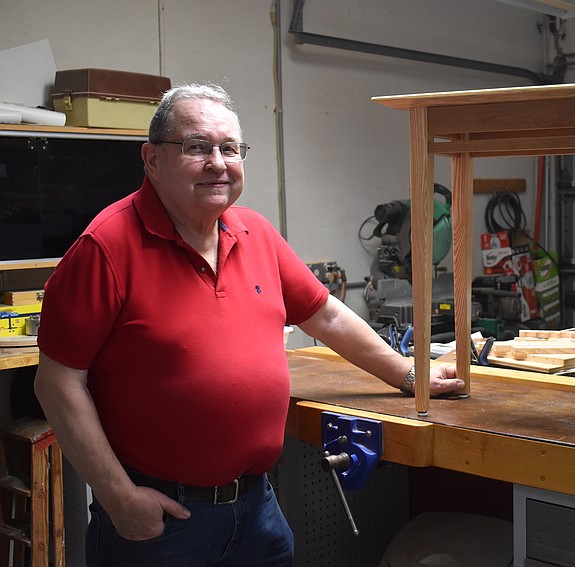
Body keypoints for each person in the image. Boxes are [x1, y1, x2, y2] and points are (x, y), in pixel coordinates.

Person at [34, 83, 464, 567]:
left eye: (230, 148)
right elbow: (57, 383)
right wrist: (119, 498)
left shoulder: (254, 232)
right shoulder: (106, 248)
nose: (218, 162)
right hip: (162, 521)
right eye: (197, 147)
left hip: (257, 509)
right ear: (152, 160)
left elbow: (325, 314)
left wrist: (408, 374)